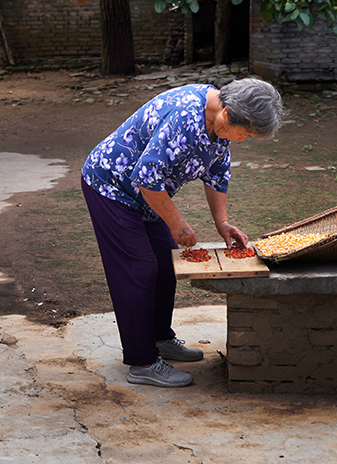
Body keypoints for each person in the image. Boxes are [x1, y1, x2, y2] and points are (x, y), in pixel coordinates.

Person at [81, 77, 283, 387]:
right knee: (139, 268)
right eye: (244, 133)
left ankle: (159, 339)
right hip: (112, 186)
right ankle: (142, 362)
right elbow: (147, 177)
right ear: (228, 114)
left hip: (145, 195)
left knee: (166, 262)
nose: (242, 139)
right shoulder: (185, 118)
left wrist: (223, 223)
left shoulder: (218, 121)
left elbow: (216, 171)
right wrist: (177, 224)